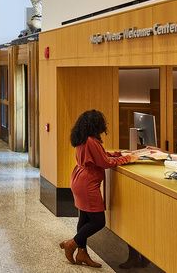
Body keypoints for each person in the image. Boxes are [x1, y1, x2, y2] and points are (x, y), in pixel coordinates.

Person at [59, 109, 138, 268]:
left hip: (79, 179)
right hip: (87, 184)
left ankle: (82, 253)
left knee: (84, 218)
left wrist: (118, 154)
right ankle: (71, 244)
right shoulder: (91, 141)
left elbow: (99, 156)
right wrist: (128, 159)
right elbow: (105, 163)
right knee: (98, 221)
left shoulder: (84, 138)